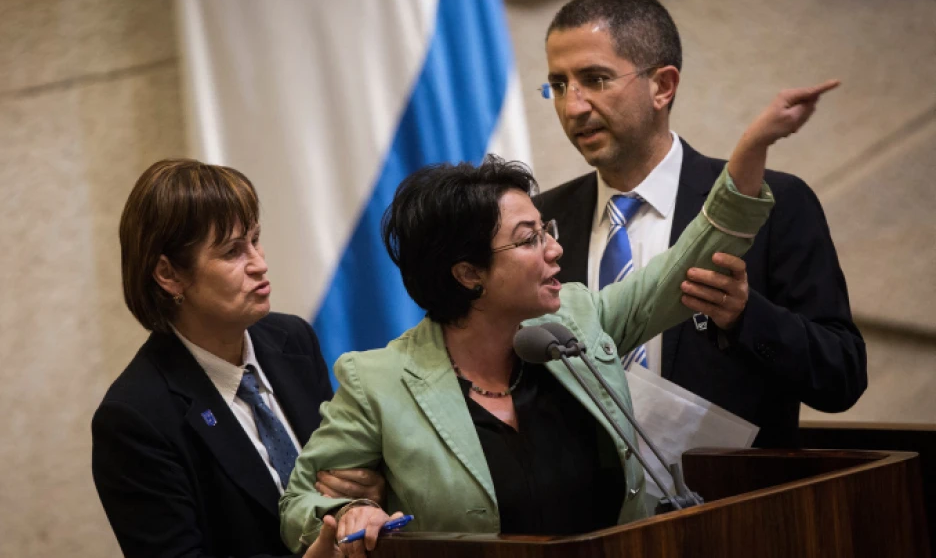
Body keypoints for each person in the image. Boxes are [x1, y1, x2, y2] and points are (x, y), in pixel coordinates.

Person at [279, 81, 837, 557]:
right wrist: (349, 512)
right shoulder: (377, 380)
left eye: (546, 230)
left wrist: (751, 150)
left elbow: (684, 267)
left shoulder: (576, 318)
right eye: (528, 239)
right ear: (468, 273)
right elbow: (301, 502)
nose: (553, 250)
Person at [534, 0, 867, 448]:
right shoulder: (540, 223)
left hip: (731, 507)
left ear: (662, 86)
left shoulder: (773, 204)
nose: (573, 107)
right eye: (558, 85)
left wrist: (747, 318)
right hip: (592, 514)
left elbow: (842, 377)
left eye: (594, 80)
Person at [92, 159, 384, 558]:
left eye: (255, 239)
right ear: (168, 274)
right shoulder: (135, 417)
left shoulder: (292, 340)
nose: (259, 263)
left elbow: (340, 475)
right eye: (232, 251)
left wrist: (365, 493)